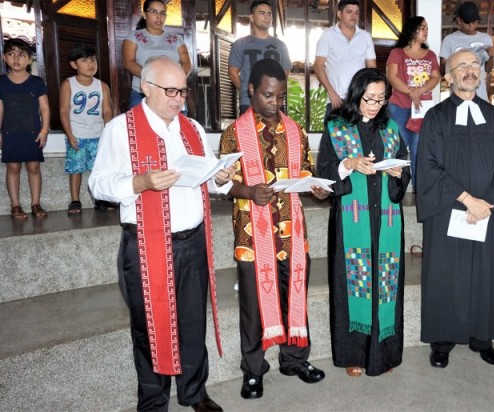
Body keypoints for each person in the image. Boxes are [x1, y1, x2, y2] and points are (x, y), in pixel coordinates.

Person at [88, 56, 230, 412]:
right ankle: (153, 402)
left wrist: (220, 178)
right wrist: (141, 182)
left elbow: (207, 176)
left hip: (192, 241)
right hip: (146, 245)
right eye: (170, 90)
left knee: (193, 323)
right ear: (145, 88)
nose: (178, 98)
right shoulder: (121, 129)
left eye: (183, 90)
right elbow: (99, 184)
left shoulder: (193, 129)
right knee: (149, 326)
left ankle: (194, 393)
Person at [219, 58, 327, 400]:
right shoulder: (234, 133)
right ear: (251, 90)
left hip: (292, 234)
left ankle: (295, 359)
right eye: (268, 95)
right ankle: (253, 370)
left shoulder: (295, 131)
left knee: (296, 296)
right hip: (253, 236)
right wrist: (249, 191)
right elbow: (222, 184)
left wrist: (316, 187)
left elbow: (307, 170)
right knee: (253, 304)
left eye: (280, 96)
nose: (275, 103)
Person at [416, 50, 494, 368]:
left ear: (482, 74)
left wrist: (484, 205)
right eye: (462, 66)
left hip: (485, 210)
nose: (470, 70)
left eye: (475, 65)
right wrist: (466, 199)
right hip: (447, 208)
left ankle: (482, 338)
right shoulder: (436, 117)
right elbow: (428, 166)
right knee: (446, 274)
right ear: (448, 77)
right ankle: (442, 342)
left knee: (483, 275)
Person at [316, 68, 411, 377]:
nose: (374, 105)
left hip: (386, 222)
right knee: (352, 286)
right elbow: (324, 170)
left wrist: (399, 173)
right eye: (369, 98)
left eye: (381, 100)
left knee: (385, 288)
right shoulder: (336, 127)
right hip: (351, 223)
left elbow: (404, 169)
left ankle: (384, 355)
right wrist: (348, 164)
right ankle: (353, 355)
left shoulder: (392, 128)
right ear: (356, 94)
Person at [386, 16, 440, 189]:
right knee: (399, 148)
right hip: (398, 107)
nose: (426, 31)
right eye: (422, 27)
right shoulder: (397, 53)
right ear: (412, 29)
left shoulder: (430, 55)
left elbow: (436, 77)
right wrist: (411, 92)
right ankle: (397, 187)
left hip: (422, 109)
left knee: (419, 150)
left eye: (426, 28)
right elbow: (391, 77)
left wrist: (419, 91)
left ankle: (418, 188)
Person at [59, 43, 113, 215]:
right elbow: (63, 110)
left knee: (98, 168)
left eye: (93, 60)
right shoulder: (69, 84)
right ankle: (75, 200)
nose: (91, 64)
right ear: (74, 65)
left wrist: (108, 132)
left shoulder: (102, 85)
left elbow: (107, 110)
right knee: (76, 168)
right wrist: (69, 134)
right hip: (77, 135)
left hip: (98, 135)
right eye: (85, 60)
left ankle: (100, 199)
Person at [0, 38, 51, 220]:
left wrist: (44, 131)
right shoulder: (2, 82)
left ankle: (35, 203)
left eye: (21, 54)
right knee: (12, 167)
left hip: (32, 133)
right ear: (4, 57)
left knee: (34, 167)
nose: (16, 58)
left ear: (29, 60)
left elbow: (44, 109)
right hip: (10, 132)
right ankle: (15, 206)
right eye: (11, 53)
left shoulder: (37, 82)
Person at [122, 0, 192, 109]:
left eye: (162, 13)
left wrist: (174, 80)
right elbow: (128, 63)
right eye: (154, 11)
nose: (159, 16)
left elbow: (187, 64)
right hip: (142, 94)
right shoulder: (134, 36)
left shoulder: (177, 39)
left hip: (172, 94)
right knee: (140, 125)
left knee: (177, 125)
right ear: (145, 14)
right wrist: (156, 78)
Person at [228, 0, 291, 115]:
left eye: (269, 14)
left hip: (274, 103)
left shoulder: (281, 46)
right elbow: (232, 73)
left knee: (276, 133)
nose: (266, 17)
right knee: (249, 133)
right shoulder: (240, 44)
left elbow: (285, 73)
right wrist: (249, 92)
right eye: (262, 13)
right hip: (248, 103)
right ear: (251, 17)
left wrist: (274, 93)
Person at [314, 0, 376, 117]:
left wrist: (371, 95)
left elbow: (372, 69)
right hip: (336, 100)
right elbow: (318, 65)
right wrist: (331, 93)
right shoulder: (328, 35)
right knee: (335, 135)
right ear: (339, 14)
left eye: (357, 13)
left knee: (360, 135)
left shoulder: (365, 37)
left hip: (360, 99)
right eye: (349, 12)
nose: (353, 16)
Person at [439, 1, 494, 102]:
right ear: (458, 20)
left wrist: (491, 57)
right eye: (467, 21)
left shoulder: (486, 39)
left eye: (475, 21)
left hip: (480, 95)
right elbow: (443, 71)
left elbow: (488, 70)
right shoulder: (449, 40)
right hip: (457, 96)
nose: (471, 25)